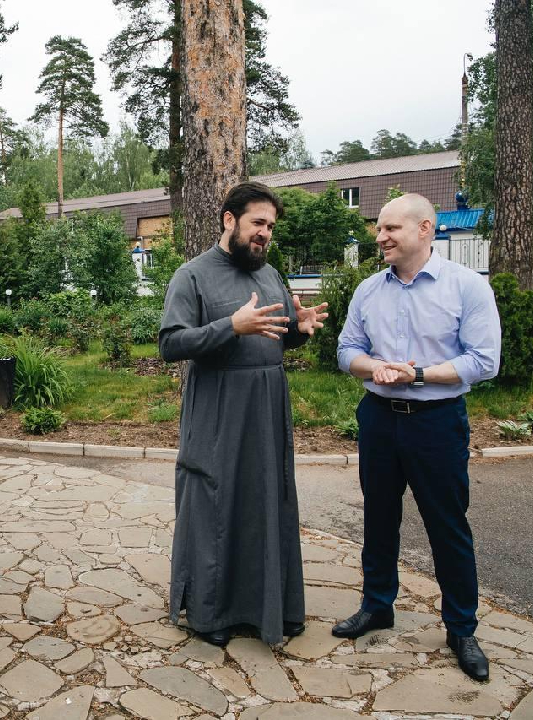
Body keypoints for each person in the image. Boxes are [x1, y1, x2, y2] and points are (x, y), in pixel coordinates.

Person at [335, 193, 500, 681]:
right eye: (379, 229)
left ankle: (461, 628)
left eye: (391, 229)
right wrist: (375, 367)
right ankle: (377, 605)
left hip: (437, 422)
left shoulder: (467, 287)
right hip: (379, 418)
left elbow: (484, 360)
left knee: (447, 524)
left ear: (425, 229)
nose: (380, 237)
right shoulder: (369, 290)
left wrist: (419, 374)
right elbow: (347, 351)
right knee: (378, 517)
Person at [159, 181, 328, 647]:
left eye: (270, 227)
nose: (265, 234)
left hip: (267, 409)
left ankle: (273, 607)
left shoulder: (271, 275)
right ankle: (212, 615)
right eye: (258, 223)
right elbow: (170, 343)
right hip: (217, 411)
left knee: (267, 502)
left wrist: (301, 330)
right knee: (216, 503)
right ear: (229, 220)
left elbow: (275, 335)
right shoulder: (191, 276)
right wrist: (229, 326)